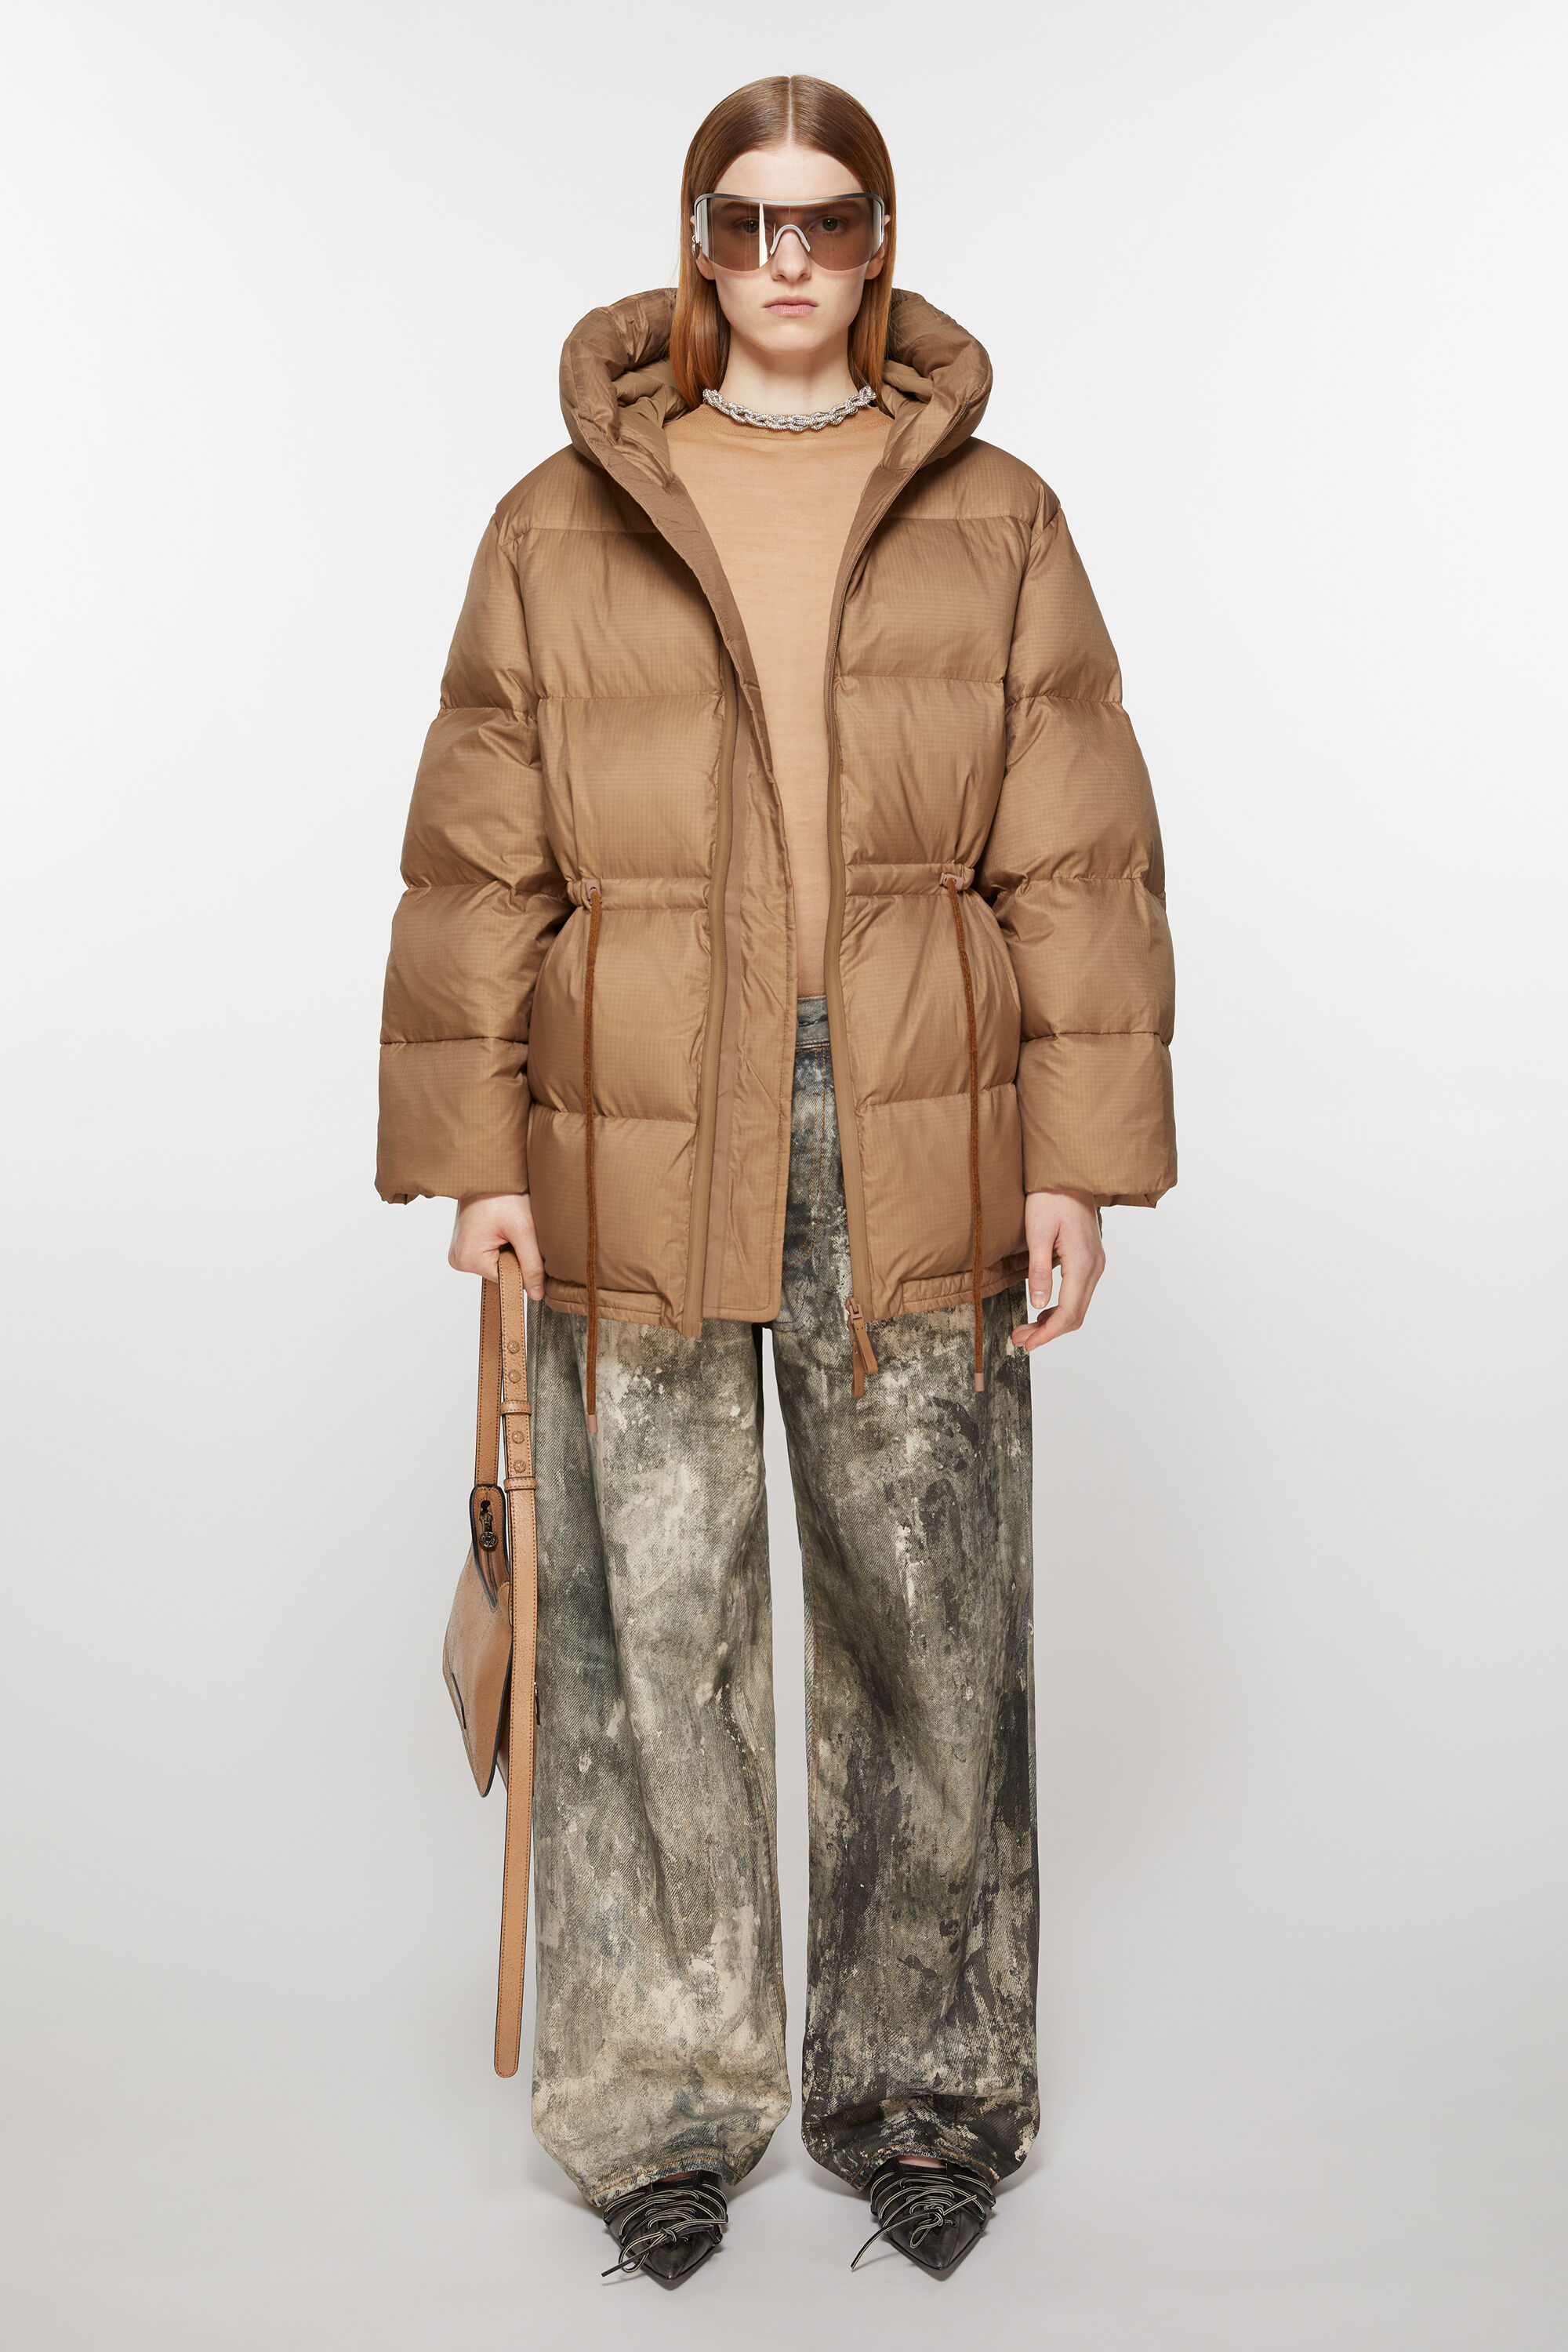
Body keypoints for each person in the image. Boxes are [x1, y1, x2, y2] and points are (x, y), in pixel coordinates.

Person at [377, 74, 1175, 2285]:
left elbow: (1079, 859)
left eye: (826, 220)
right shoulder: (560, 520)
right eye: (747, 221)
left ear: (882, 238)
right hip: (629, 1116)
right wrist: (473, 1158)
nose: (787, 260)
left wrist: (1079, 1166)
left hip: (922, 1113)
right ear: (698, 237)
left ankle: (927, 2094)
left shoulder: (999, 516)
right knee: (647, 1624)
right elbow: (477, 857)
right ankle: (659, 2105)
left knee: (934, 1618)